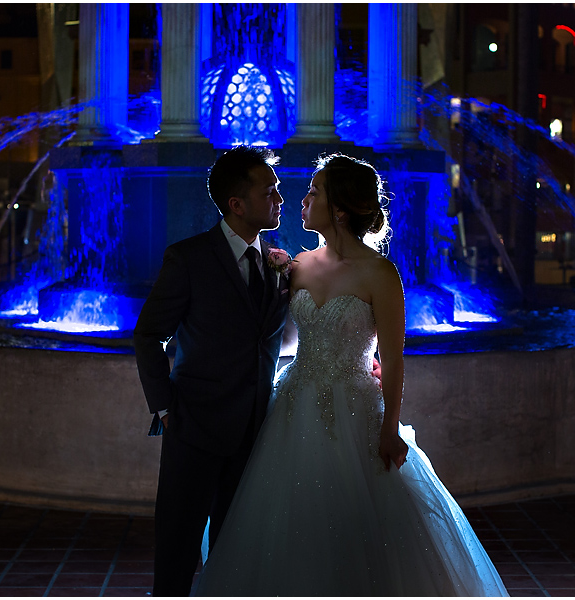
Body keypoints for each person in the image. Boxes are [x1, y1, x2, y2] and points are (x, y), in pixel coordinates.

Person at [195, 154, 508, 596]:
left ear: (339, 209)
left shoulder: (380, 274)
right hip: (293, 405)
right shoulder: (297, 266)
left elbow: (395, 360)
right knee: (286, 523)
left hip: (358, 410)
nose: (301, 198)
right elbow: (282, 339)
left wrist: (388, 428)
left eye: (314, 191)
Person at [133, 146, 293, 596]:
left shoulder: (277, 263)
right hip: (194, 428)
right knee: (178, 552)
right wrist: (165, 409)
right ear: (236, 204)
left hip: (256, 433)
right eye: (270, 191)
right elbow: (148, 335)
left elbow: (277, 338)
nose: (279, 198)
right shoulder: (188, 258)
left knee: (235, 552)